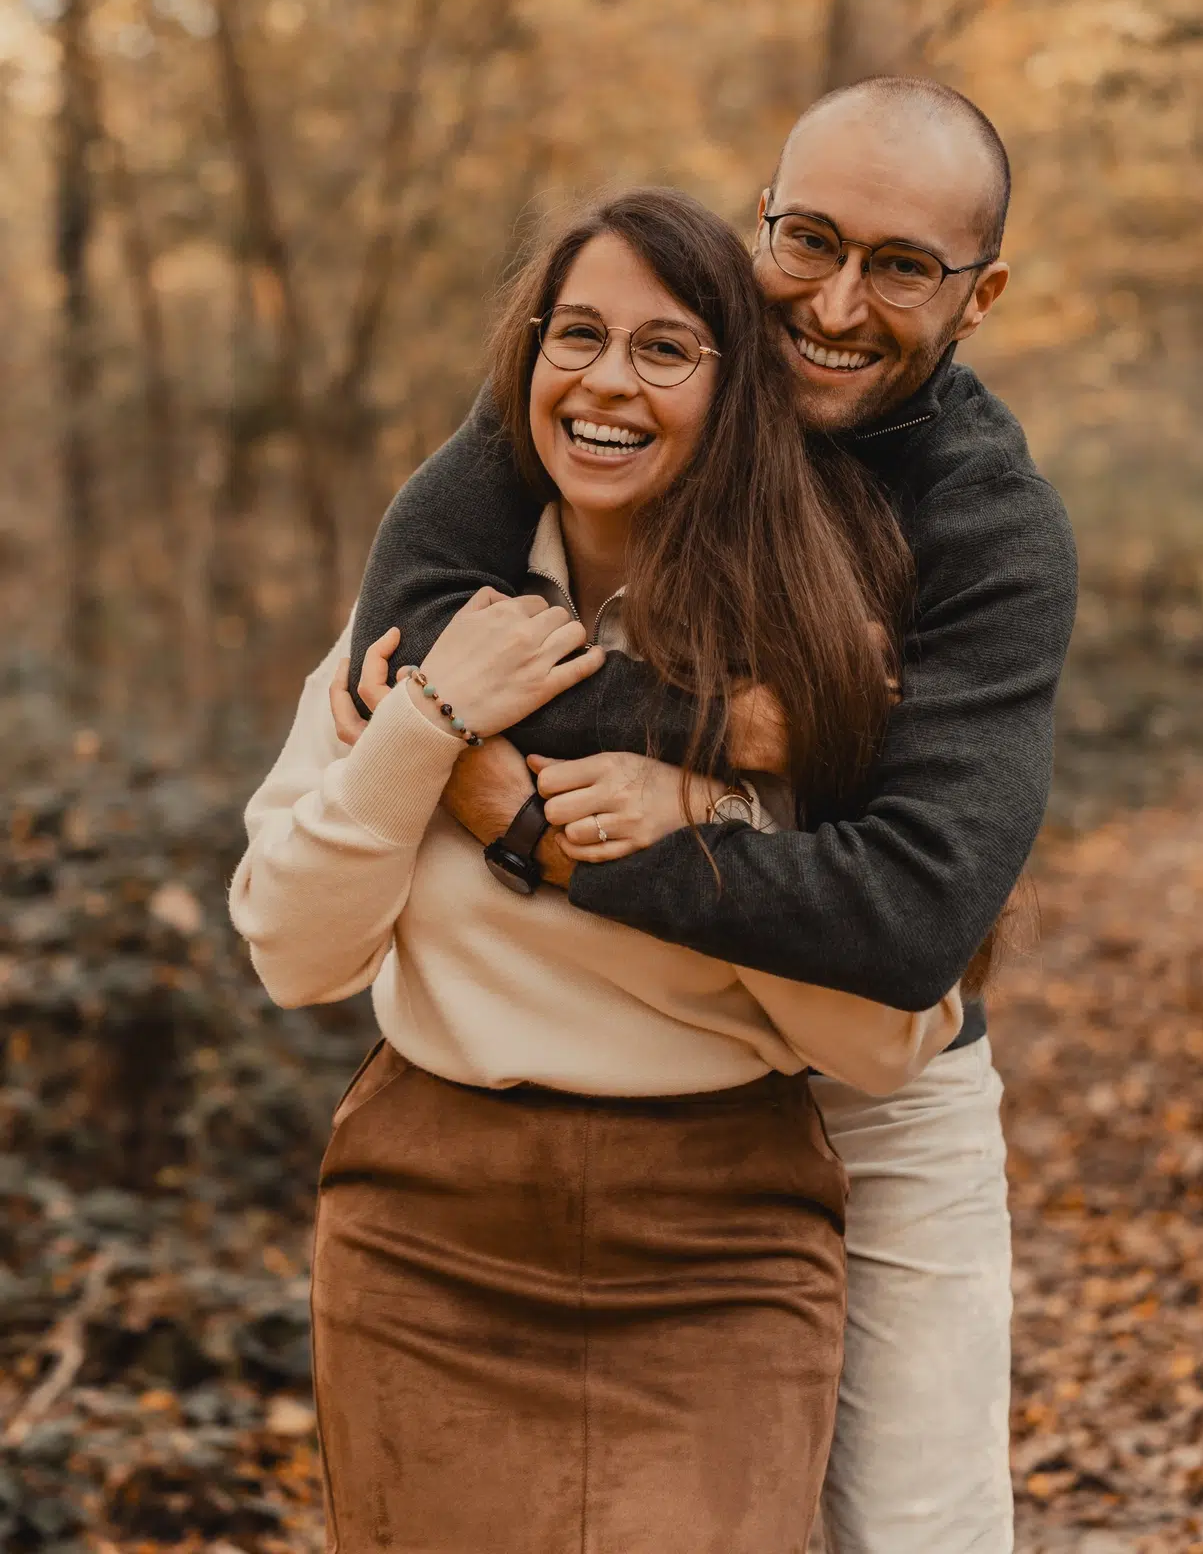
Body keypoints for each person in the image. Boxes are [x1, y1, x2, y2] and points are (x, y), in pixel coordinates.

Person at [343, 77, 1079, 1554]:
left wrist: (554, 833)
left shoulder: (991, 528)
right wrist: (718, 726)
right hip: (650, 1068)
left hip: (880, 1086)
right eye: (807, 239)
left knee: (916, 1534)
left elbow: (913, 913)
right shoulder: (648, 378)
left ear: (980, 294)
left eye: (902, 266)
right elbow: (420, 635)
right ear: (762, 219)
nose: (836, 300)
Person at [231, 187, 965, 1554]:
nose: (608, 380)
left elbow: (880, 1040)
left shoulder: (811, 668)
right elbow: (292, 953)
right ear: (525, 365)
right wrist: (426, 733)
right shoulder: (415, 625)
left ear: (738, 391)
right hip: (427, 1236)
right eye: (576, 334)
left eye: (666, 347)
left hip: (720, 1252)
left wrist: (703, 827)